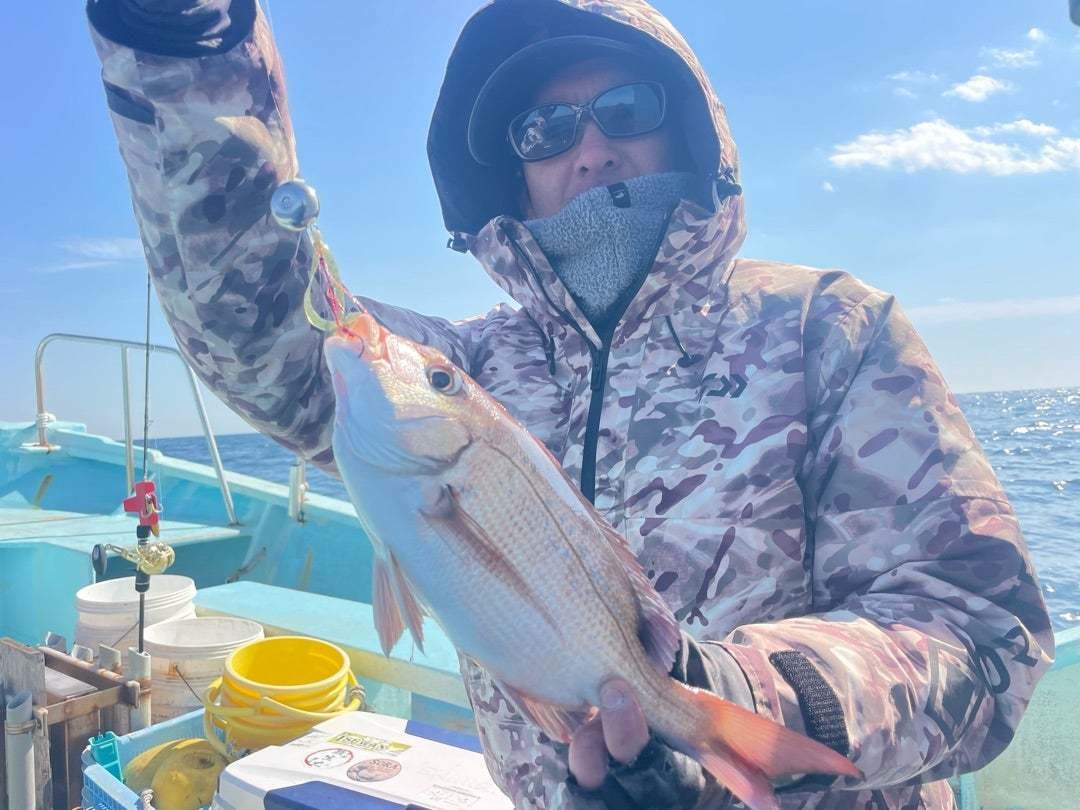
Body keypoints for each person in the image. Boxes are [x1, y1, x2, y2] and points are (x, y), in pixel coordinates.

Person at [84, 0, 1053, 807]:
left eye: (625, 108)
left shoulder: (829, 328)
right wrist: (182, 42)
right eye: (543, 130)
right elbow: (251, 308)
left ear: (689, 128)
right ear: (514, 173)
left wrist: (725, 696)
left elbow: (979, 630)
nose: (589, 148)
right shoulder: (466, 368)